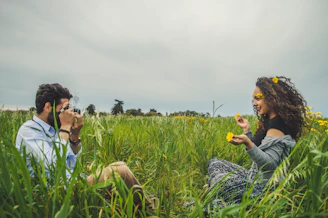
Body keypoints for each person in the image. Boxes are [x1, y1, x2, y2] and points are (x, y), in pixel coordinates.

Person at [15, 83, 152, 208]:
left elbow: (72, 165)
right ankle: (149, 209)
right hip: (54, 194)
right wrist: (65, 128)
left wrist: (74, 137)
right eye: (64, 109)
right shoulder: (29, 131)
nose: (69, 113)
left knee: (119, 165)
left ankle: (141, 206)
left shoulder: (56, 129)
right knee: (119, 171)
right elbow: (54, 166)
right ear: (47, 107)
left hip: (72, 184)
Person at [207, 76, 307, 209]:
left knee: (221, 182)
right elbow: (260, 148)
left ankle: (222, 199)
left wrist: (248, 143)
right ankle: (218, 194)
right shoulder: (270, 121)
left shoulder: (277, 125)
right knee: (215, 163)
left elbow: (269, 164)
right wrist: (247, 131)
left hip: (264, 190)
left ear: (272, 98)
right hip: (253, 178)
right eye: (254, 99)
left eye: (258, 98)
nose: (254, 103)